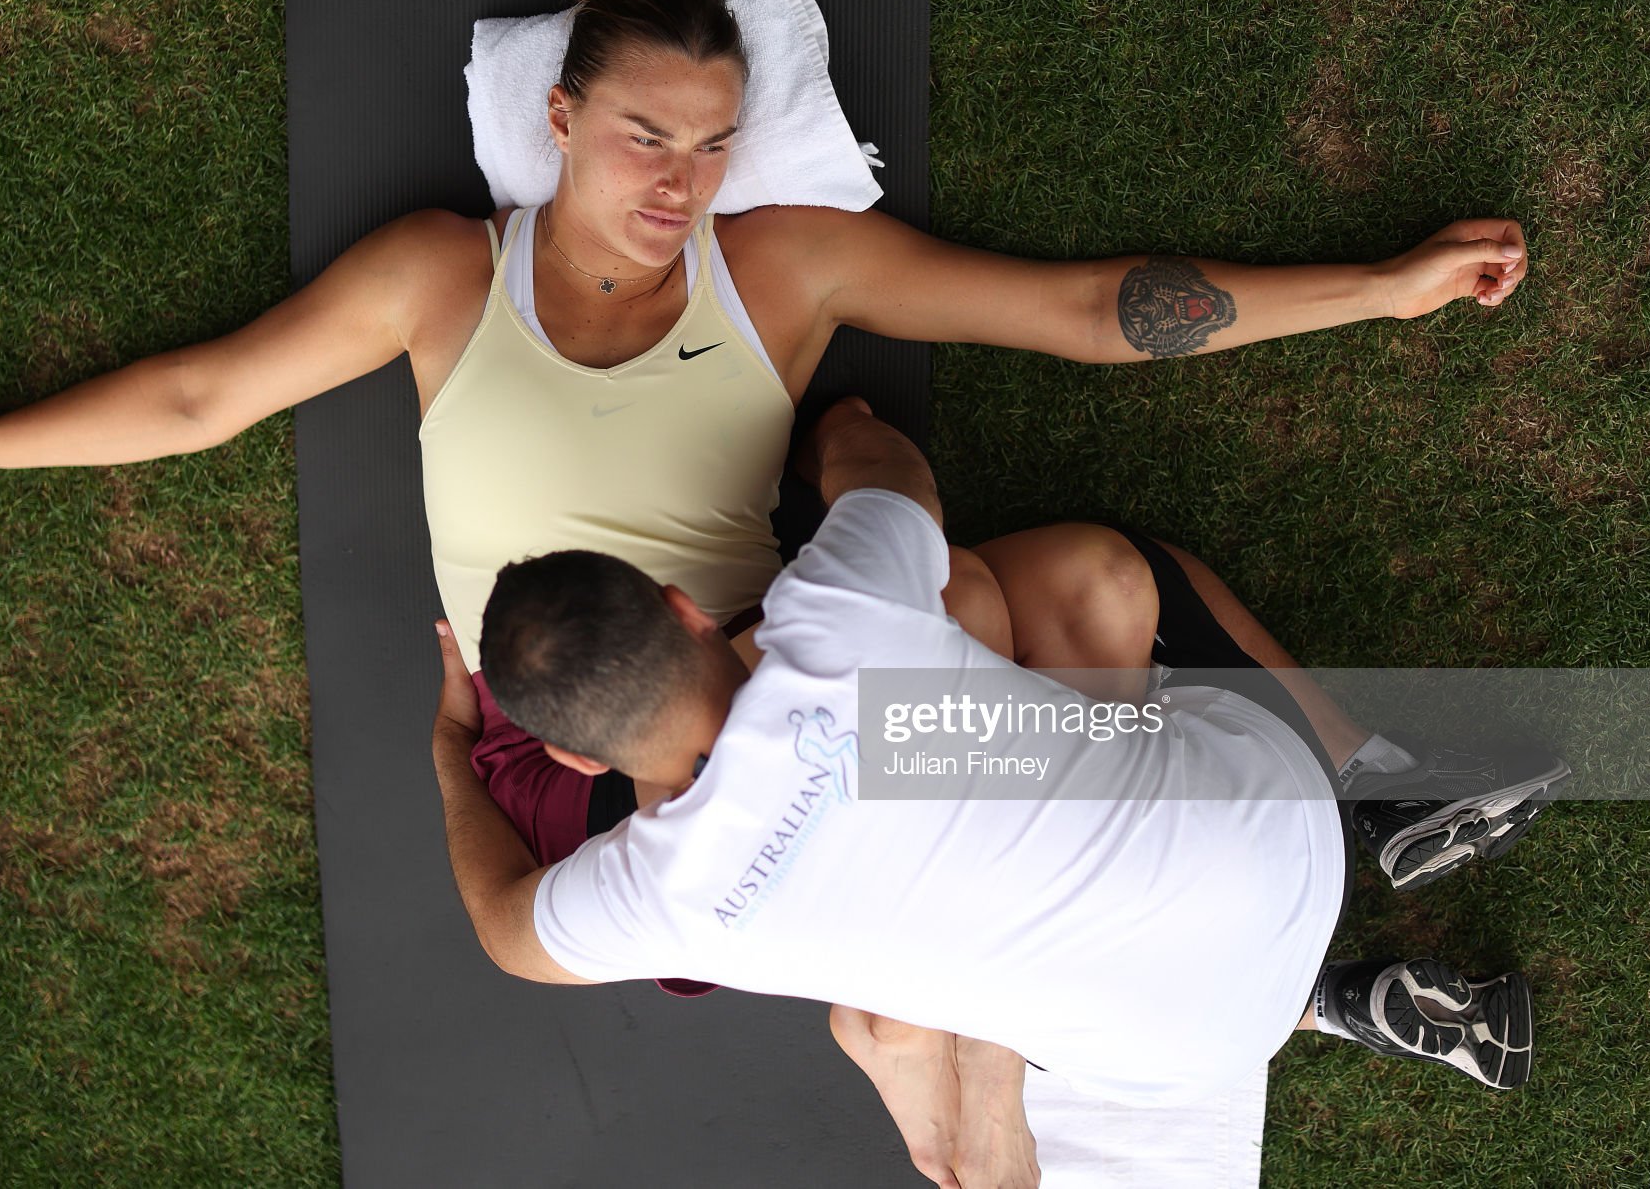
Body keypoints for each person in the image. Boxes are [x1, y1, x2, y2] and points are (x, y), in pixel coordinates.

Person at [0, 0, 1543, 892]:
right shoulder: (441, 275)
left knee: (1097, 573)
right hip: (603, 751)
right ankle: (1180, 890)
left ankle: (1361, 814)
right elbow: (201, 396)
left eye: (711, 144)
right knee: (986, 604)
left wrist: (1376, 288)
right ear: (560, 119)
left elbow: (1085, 309)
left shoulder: (779, 267)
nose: (680, 181)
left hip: (781, 677)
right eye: (646, 136)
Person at [435, 398, 1547, 1188]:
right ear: (685, 609)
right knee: (1094, 587)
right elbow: (889, 471)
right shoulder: (834, 616)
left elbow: (500, 926)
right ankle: (1371, 786)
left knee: (950, 948)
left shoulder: (656, 897)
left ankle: (1338, 1002)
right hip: (1282, 832)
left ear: (578, 762)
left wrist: (450, 746)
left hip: (1193, 1050)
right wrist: (832, 428)